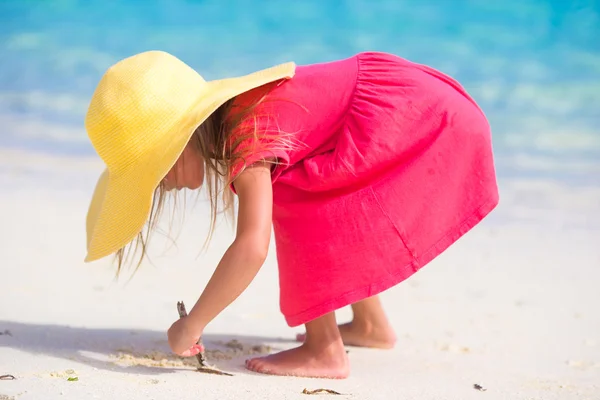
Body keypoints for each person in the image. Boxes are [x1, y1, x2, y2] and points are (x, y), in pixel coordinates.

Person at [83, 50, 499, 379]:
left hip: (416, 116)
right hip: (419, 104)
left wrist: (192, 324)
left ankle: (324, 349)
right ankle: (369, 325)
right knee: (326, 195)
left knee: (293, 197)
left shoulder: (248, 136)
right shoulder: (239, 113)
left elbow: (251, 247)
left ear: (184, 139)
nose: (161, 185)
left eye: (155, 170)